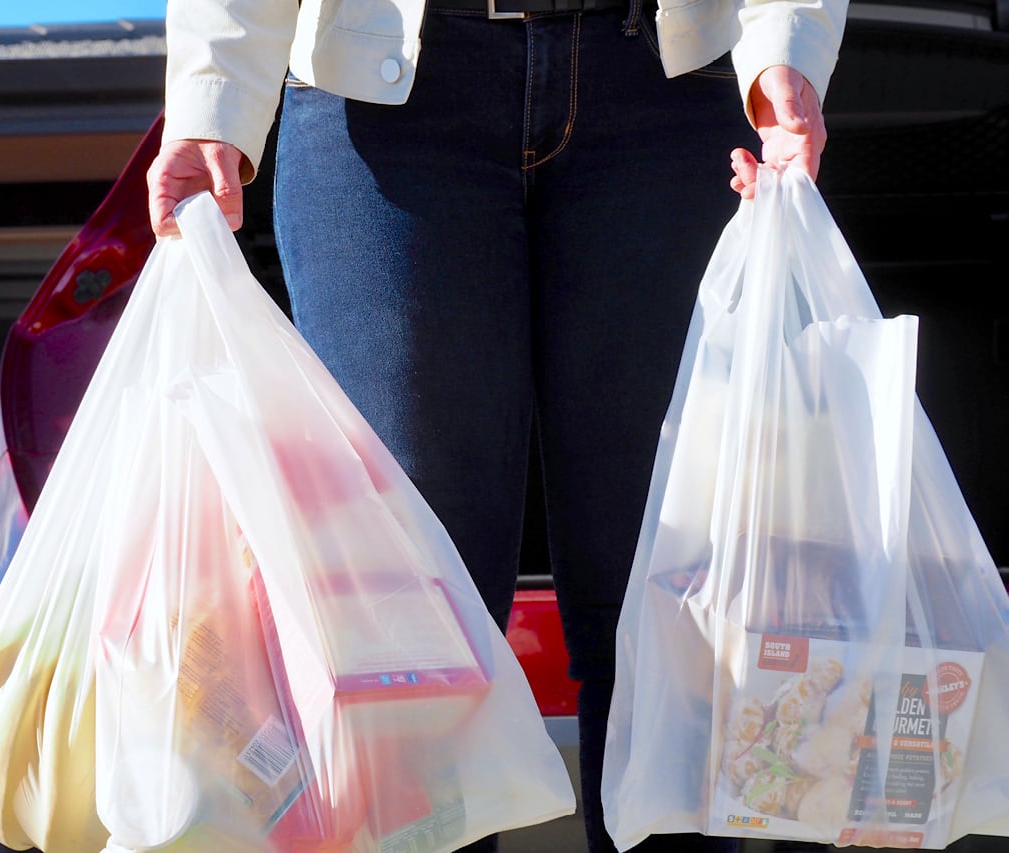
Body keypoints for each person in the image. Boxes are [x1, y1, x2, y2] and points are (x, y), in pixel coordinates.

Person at [148, 0, 846, 851]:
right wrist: (212, 99)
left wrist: (785, 46)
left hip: (661, 82)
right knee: (403, 630)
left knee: (667, 612)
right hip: (382, 97)